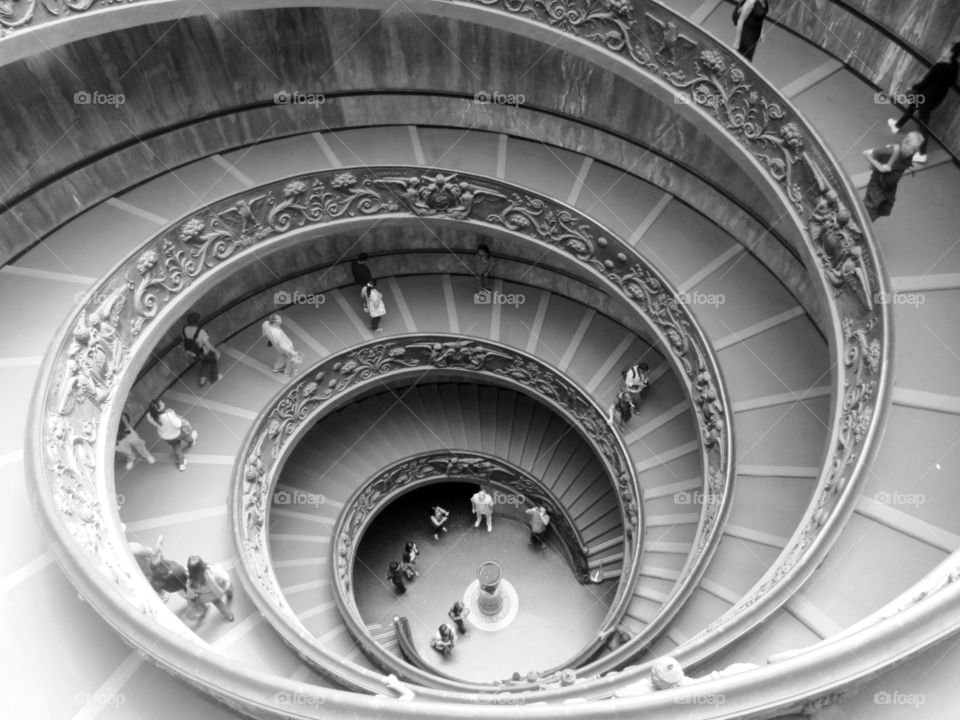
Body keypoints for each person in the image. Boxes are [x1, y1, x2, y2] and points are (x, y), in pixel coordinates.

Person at [888, 41, 960, 162]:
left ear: (951, 52)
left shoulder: (940, 66)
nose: (944, 48)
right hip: (936, 98)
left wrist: (913, 87)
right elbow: (951, 83)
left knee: (923, 125)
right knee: (912, 108)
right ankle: (897, 125)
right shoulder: (955, 66)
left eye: (947, 47)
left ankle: (922, 154)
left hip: (925, 98)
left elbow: (926, 82)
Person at [862, 132, 924, 221]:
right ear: (905, 142)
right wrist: (880, 167)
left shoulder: (909, 152)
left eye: (914, 151)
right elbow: (865, 153)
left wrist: (909, 165)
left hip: (889, 187)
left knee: (884, 207)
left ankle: (868, 220)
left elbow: (906, 159)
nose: (911, 153)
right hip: (877, 185)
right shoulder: (890, 151)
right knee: (869, 209)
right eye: (910, 149)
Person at [146, 399, 196, 472]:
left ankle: (182, 464)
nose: (164, 402)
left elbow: (154, 422)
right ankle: (191, 442)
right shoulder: (168, 415)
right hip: (177, 434)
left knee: (176, 447)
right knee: (187, 437)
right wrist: (173, 414)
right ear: (159, 408)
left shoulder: (150, 416)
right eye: (161, 403)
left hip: (166, 437)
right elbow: (178, 424)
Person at [185, 555, 234, 622]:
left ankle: (228, 615)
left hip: (208, 596)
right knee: (227, 590)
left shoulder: (191, 582)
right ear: (202, 565)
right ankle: (229, 596)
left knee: (218, 604)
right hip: (221, 586)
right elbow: (219, 591)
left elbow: (191, 593)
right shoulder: (208, 574)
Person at [182, 312, 220, 386]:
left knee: (204, 361)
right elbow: (208, 345)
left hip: (193, 353)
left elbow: (184, 339)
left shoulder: (184, 329)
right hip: (203, 352)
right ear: (197, 321)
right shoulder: (201, 332)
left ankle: (202, 379)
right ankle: (214, 379)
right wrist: (216, 352)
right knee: (212, 361)